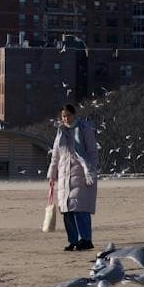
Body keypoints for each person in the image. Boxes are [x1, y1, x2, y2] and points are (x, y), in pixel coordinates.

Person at [48, 104, 99, 252]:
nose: (66, 118)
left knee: (80, 209)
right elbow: (55, 156)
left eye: (68, 115)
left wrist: (91, 171)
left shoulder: (84, 130)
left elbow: (92, 152)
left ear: (74, 115)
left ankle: (86, 239)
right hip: (64, 175)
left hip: (82, 174)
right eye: (63, 116)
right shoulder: (60, 132)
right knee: (66, 211)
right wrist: (52, 175)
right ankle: (73, 240)